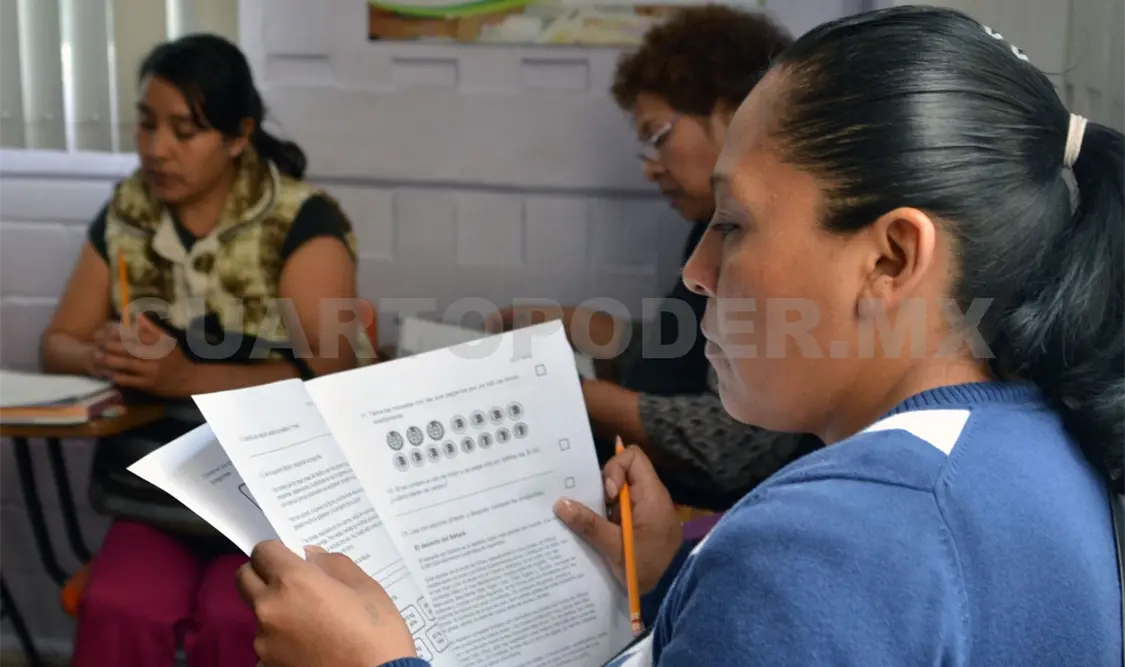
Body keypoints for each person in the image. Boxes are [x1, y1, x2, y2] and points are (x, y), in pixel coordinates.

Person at [233, 5, 1125, 666]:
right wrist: (670, 578)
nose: (697, 270)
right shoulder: (1034, 431)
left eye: (733, 225)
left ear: (890, 257)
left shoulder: (822, 545)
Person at [40, 33, 372, 667]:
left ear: (238, 135)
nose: (156, 149)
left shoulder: (301, 220)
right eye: (145, 125)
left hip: (268, 503)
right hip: (154, 499)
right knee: (121, 607)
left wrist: (183, 375)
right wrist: (102, 355)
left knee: (241, 617)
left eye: (183, 131)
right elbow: (58, 342)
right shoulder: (126, 213)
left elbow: (330, 372)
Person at [489, 6, 820, 511]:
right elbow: (689, 349)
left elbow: (736, 444)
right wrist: (584, 327)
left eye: (659, 136)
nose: (651, 168)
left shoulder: (777, 248)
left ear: (735, 114)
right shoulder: (711, 227)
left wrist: (558, 389)